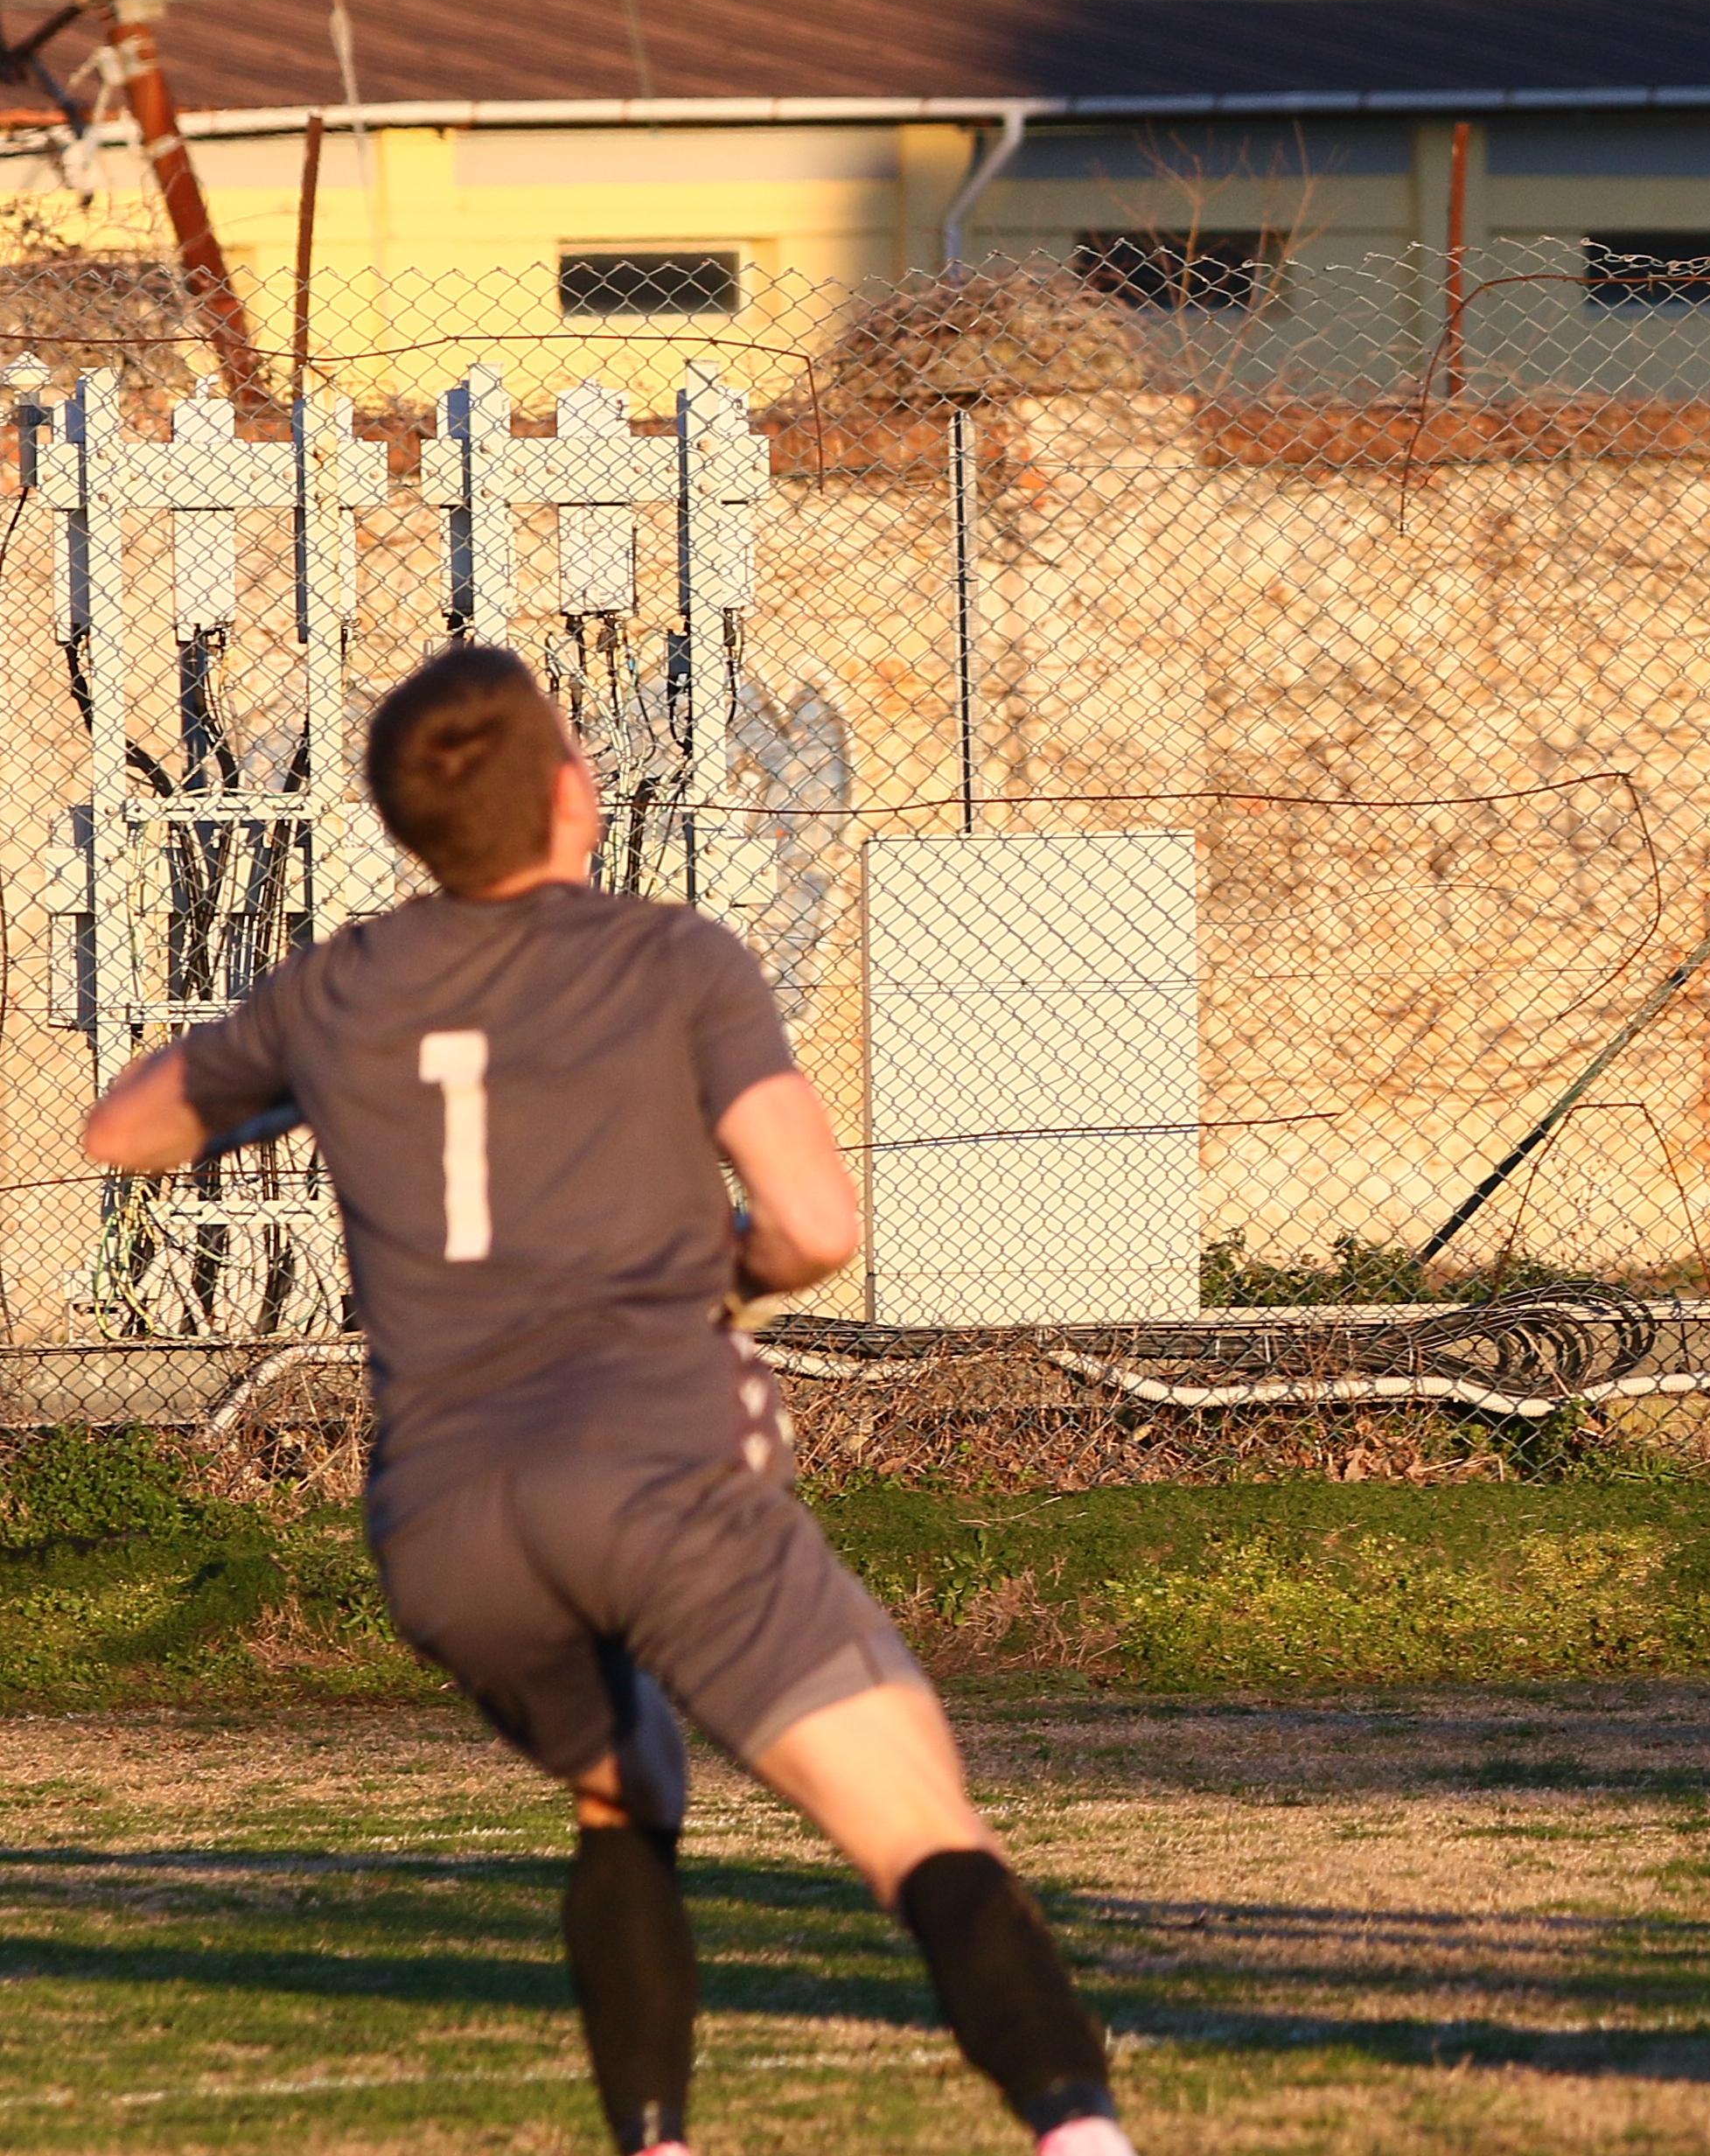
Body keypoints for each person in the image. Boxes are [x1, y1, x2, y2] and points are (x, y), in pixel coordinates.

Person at [81, 645, 1139, 2156]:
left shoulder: (342, 987)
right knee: (917, 1825)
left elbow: (122, 1130)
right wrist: (722, 1273)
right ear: (574, 793)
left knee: (623, 1795)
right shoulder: (670, 956)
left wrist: (303, 1073)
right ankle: (1080, 2132)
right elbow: (815, 1224)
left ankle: (654, 2140)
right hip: (652, 1469)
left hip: (448, 1524)